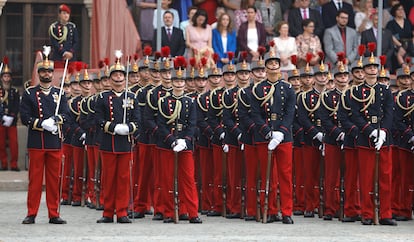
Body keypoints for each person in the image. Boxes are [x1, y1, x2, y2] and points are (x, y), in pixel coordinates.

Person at [21, 46, 70, 224]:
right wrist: (42, 123)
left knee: (53, 180)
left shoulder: (60, 93)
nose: (47, 74)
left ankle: (54, 213)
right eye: (43, 71)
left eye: (49, 71)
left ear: (53, 74)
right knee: (34, 181)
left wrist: (56, 119)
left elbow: (67, 114)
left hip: (54, 142)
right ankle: (31, 212)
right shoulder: (30, 94)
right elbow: (25, 117)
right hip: (36, 142)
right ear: (39, 73)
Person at [349, 52, 397, 226]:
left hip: (384, 139)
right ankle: (367, 213)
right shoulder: (356, 91)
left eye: (374, 67)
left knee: (385, 178)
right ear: (363, 70)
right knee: (367, 178)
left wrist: (383, 131)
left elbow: (390, 112)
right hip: (366, 138)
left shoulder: (385, 90)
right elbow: (355, 114)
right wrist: (370, 130)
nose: (372, 70)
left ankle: (385, 213)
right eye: (369, 67)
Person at [250, 43, 296, 224]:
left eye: (276, 63)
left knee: (285, 175)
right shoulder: (257, 89)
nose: (273, 67)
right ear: (266, 67)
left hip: (283, 137)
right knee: (268, 176)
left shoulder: (288, 88)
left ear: (280, 66)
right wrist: (269, 132)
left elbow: (290, 112)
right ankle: (268, 210)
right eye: (270, 64)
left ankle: (286, 211)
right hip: (265, 136)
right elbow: (255, 114)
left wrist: (281, 132)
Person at [95, 51, 140, 224]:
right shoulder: (102, 98)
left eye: (121, 74)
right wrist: (114, 128)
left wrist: (128, 128)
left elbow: (138, 120)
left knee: (123, 179)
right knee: (108, 178)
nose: (118, 78)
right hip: (108, 142)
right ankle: (107, 212)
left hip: (125, 143)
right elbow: (98, 119)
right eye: (115, 75)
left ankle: (122, 212)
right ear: (110, 79)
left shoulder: (132, 97)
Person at [156, 59, 202, 223]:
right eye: (176, 81)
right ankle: (169, 212)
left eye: (181, 81)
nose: (179, 84)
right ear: (172, 82)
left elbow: (192, 124)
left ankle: (192, 212)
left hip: (185, 145)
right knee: (167, 179)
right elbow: (161, 125)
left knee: (188, 179)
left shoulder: (190, 102)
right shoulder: (162, 101)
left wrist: (184, 140)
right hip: (168, 144)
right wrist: (172, 140)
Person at [0, 57, 20, 171]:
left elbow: (17, 105)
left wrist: (12, 116)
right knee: (1, 143)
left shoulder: (14, 91)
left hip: (12, 120)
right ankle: (3, 163)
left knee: (14, 144)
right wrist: (2, 116)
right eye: (4, 76)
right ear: (2, 78)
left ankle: (14, 164)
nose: (6, 79)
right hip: (1, 119)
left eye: (8, 77)